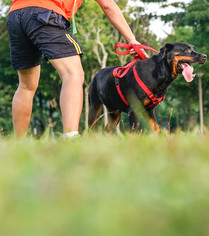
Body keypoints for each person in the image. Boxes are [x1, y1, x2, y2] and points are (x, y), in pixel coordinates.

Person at [7, 0, 143, 139]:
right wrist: (132, 40)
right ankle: (70, 137)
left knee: (26, 86)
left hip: (16, 15)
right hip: (44, 13)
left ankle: (19, 143)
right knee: (73, 74)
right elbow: (107, 5)